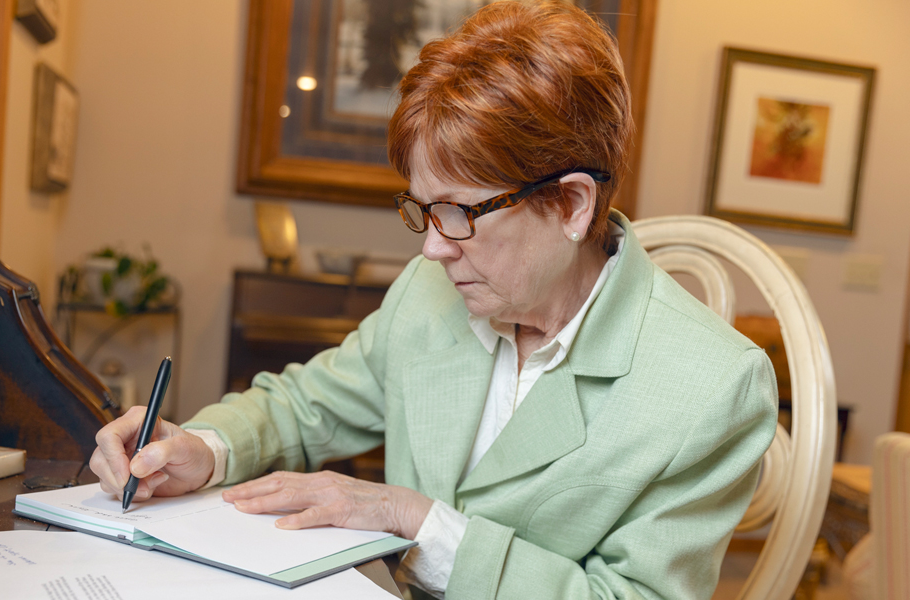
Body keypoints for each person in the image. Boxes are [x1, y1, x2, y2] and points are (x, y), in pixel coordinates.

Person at [90, 2, 778, 598]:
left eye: (459, 213)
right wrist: (202, 449)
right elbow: (307, 405)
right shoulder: (434, 290)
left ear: (572, 204)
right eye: (422, 210)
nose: (432, 250)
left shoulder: (715, 389)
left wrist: (411, 519)